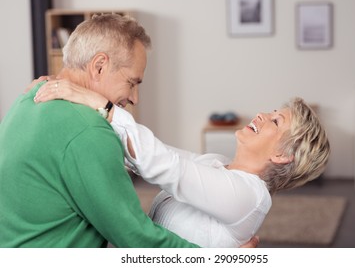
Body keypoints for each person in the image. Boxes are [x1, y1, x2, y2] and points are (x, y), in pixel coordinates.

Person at [33, 79, 331, 248]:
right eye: (271, 111)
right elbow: (151, 155)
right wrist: (69, 100)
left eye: (276, 121)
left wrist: (100, 103)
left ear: (281, 155)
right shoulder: (217, 164)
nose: (263, 115)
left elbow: (164, 166)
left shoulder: (250, 197)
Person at [0, 13, 212, 248]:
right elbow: (137, 238)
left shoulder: (29, 98)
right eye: (132, 83)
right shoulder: (88, 130)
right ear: (99, 67)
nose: (134, 98)